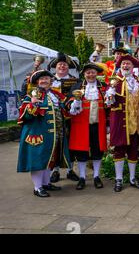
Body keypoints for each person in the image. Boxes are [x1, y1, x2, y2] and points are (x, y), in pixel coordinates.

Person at [17, 70, 70, 197]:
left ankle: (46, 183)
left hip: (54, 134)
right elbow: (25, 116)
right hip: (37, 133)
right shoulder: (32, 95)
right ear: (37, 82)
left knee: (49, 159)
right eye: (42, 79)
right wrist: (33, 104)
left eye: (47, 78)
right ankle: (37, 187)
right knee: (38, 161)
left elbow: (64, 110)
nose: (44, 81)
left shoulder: (55, 95)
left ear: (51, 81)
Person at [105, 55, 139, 192]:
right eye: (123, 64)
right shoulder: (115, 82)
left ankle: (132, 178)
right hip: (120, 123)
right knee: (119, 151)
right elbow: (108, 103)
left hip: (136, 123)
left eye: (128, 64)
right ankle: (118, 179)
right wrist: (109, 95)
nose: (125, 66)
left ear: (132, 67)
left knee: (133, 151)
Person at [67, 63, 108, 190]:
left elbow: (109, 107)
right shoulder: (77, 87)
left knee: (98, 150)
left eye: (93, 72)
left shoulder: (104, 87)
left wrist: (109, 125)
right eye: (88, 72)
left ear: (97, 74)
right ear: (84, 74)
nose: (91, 74)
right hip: (81, 125)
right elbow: (68, 105)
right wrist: (75, 102)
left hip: (98, 124)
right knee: (81, 151)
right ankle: (82, 177)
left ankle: (96, 176)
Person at [47, 52, 80, 183]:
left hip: (70, 118)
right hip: (53, 118)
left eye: (64, 64)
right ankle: (55, 171)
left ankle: (70, 170)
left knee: (71, 143)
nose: (62, 66)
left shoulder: (75, 81)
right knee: (55, 144)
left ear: (68, 67)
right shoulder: (48, 80)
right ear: (55, 67)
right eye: (60, 64)